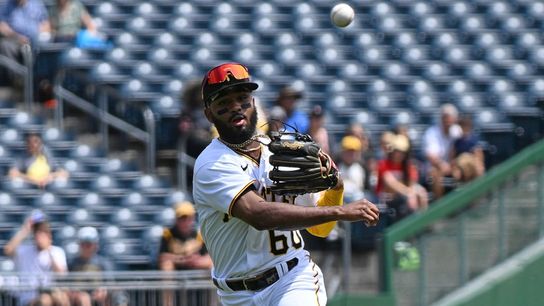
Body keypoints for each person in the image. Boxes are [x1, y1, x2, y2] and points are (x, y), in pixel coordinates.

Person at [192, 62, 379, 305]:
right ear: (209, 114)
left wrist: (335, 188)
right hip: (236, 295)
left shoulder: (279, 154)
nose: (236, 107)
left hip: (292, 278)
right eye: (223, 103)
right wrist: (342, 212)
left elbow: (320, 229)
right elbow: (258, 215)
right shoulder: (211, 163)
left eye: (242, 98)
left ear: (254, 102)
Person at [3, 212, 70, 306]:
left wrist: (48, 250)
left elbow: (61, 274)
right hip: (29, 297)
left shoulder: (57, 251)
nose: (39, 235)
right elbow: (8, 250)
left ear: (49, 234)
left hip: (52, 293)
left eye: (43, 232)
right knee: (45, 300)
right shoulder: (24, 251)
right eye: (37, 232)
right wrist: (25, 230)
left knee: (61, 298)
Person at [68, 226, 127, 306]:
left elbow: (110, 282)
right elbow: (66, 284)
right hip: (78, 298)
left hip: (98, 295)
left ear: (95, 245)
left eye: (89, 244)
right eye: (83, 244)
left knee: (117, 295)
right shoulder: (71, 263)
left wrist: (104, 290)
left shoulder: (103, 263)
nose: (86, 247)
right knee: (83, 298)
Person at [376, 134, 428, 223]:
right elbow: (389, 183)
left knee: (421, 193)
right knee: (407, 197)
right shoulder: (383, 164)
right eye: (397, 151)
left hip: (404, 196)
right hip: (386, 198)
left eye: (402, 152)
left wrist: (410, 193)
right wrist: (408, 193)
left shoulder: (408, 165)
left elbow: (412, 183)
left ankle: (423, 222)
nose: (399, 154)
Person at [0, 0, 50, 86]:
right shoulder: (7, 5)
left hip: (35, 40)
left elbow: (46, 25)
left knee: (44, 45)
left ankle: (40, 81)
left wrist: (35, 36)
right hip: (14, 40)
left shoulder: (37, 4)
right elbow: (2, 26)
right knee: (5, 46)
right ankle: (18, 81)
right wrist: (17, 36)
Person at [423, 103, 462, 199]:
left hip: (452, 165)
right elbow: (431, 156)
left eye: (449, 117)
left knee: (466, 168)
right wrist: (443, 165)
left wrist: (453, 165)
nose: (447, 120)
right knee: (436, 173)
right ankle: (439, 206)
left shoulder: (457, 131)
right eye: (445, 117)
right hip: (435, 167)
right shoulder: (432, 133)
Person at [158, 201, 212, 271]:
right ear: (176, 219)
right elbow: (162, 257)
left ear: (192, 218)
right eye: (182, 218)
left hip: (195, 265)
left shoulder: (199, 235)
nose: (186, 221)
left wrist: (196, 259)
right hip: (177, 266)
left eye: (189, 218)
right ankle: (169, 282)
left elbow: (208, 257)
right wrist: (182, 259)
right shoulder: (168, 234)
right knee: (167, 264)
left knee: (210, 264)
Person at [338, 135, 366, 201]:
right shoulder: (335, 167)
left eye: (353, 152)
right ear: (342, 152)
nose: (350, 154)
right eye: (348, 151)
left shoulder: (362, 168)